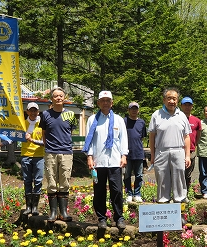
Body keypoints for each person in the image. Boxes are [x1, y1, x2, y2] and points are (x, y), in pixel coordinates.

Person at [82, 90, 129, 229]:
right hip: (98, 161)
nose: (105, 103)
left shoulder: (119, 120)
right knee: (99, 191)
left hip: (114, 161)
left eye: (108, 100)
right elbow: (89, 140)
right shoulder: (92, 119)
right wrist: (89, 157)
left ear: (112, 103)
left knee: (117, 190)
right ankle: (101, 218)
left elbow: (123, 139)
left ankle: (119, 218)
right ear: (98, 103)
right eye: (103, 100)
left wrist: (124, 155)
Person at [0, 102, 45, 216]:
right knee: (27, 181)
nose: (33, 113)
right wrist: (1, 144)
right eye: (30, 110)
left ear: (38, 112)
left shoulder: (42, 124)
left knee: (38, 181)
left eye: (35, 110)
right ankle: (28, 206)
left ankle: (35, 207)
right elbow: (13, 139)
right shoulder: (23, 125)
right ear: (27, 112)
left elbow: (44, 142)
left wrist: (32, 140)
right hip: (26, 156)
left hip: (39, 157)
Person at [40, 87, 77, 222]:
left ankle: (63, 213)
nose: (59, 98)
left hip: (66, 152)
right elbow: (44, 134)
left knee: (65, 182)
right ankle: (53, 212)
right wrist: (48, 147)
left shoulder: (70, 114)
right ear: (52, 98)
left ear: (64, 97)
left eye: (61, 96)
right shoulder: (45, 114)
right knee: (51, 183)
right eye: (56, 96)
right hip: (51, 153)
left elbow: (70, 133)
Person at [148, 88, 191, 203]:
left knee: (179, 180)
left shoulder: (182, 116)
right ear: (164, 100)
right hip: (161, 152)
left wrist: (187, 156)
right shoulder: (156, 115)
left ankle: (180, 204)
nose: (172, 101)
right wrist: (152, 155)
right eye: (169, 98)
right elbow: (152, 137)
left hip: (178, 151)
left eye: (174, 98)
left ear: (177, 100)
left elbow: (187, 137)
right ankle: (163, 203)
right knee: (162, 179)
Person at [124, 102, 147, 203]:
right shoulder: (124, 121)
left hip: (138, 153)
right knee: (127, 175)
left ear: (138, 110)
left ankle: (137, 194)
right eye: (132, 108)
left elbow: (141, 137)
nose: (134, 110)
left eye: (135, 109)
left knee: (139, 175)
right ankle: (129, 194)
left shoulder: (141, 122)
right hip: (127, 153)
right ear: (128, 110)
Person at [180, 97, 201, 191]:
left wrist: (194, 146)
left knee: (188, 174)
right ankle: (176, 193)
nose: (187, 107)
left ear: (192, 106)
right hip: (179, 150)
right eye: (185, 105)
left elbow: (198, 136)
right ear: (181, 106)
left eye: (189, 105)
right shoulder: (177, 118)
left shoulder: (196, 120)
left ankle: (186, 192)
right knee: (177, 173)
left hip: (191, 150)